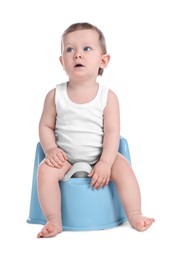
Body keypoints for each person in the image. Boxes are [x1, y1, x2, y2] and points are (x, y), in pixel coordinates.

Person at [37, 22, 155, 238]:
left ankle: (135, 214)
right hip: (66, 158)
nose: (77, 55)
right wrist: (51, 149)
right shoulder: (55, 95)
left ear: (104, 60)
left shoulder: (107, 97)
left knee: (125, 168)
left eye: (86, 49)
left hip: (102, 155)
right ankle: (54, 219)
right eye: (70, 49)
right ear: (62, 61)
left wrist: (106, 162)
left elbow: (112, 133)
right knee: (44, 171)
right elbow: (45, 126)